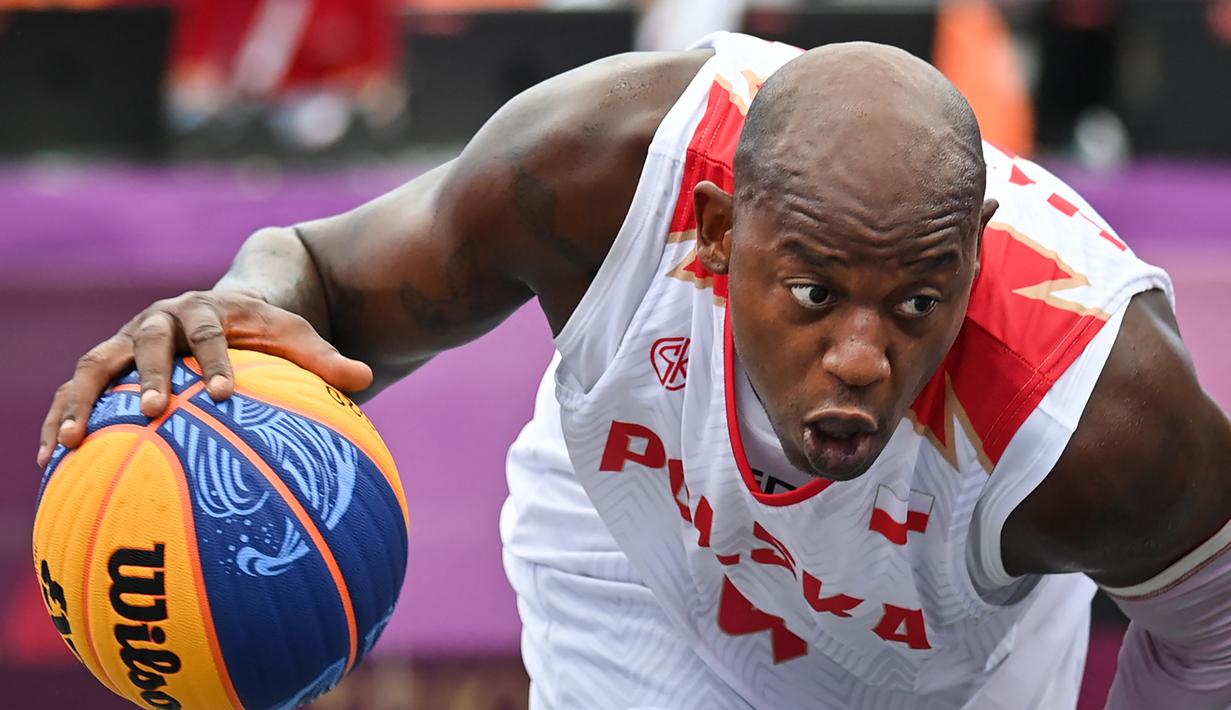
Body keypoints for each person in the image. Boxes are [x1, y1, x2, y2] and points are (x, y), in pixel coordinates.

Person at [38, 33, 1231, 709]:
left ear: (971, 270)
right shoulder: (598, 170)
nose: (863, 357)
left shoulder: (1101, 410)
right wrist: (241, 310)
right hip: (639, 560)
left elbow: (1213, 629)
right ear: (713, 238)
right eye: (814, 294)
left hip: (951, 652)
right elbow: (321, 275)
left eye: (917, 304)